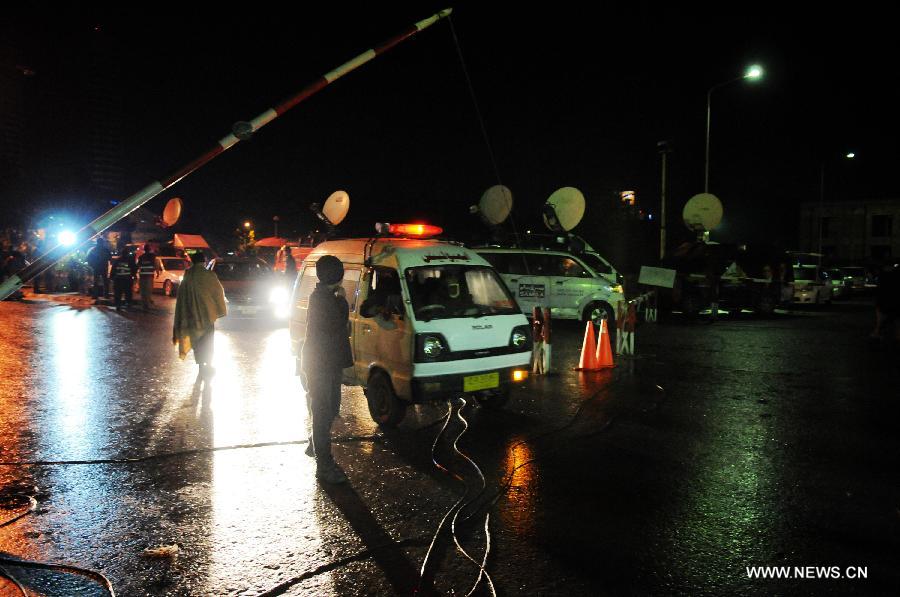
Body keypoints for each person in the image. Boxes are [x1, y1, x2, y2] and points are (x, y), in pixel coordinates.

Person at [301, 255, 353, 484]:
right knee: (323, 411)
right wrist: (342, 301)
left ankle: (315, 443)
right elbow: (338, 325)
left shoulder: (325, 295)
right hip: (320, 363)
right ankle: (324, 466)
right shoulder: (323, 299)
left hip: (327, 362)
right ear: (337, 275)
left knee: (331, 408)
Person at [173, 252, 227, 384]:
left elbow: (181, 297)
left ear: (192, 261)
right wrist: (220, 310)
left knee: (196, 340)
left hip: (191, 315)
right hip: (208, 315)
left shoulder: (188, 276)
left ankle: (201, 365)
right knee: (208, 341)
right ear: (203, 261)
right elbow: (218, 293)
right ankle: (207, 364)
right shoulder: (209, 275)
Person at [86, 238, 112, 302]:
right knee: (105, 282)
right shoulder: (105, 250)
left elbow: (88, 259)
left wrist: (92, 265)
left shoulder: (93, 250)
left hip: (96, 267)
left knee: (96, 282)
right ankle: (105, 295)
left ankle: (95, 295)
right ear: (102, 242)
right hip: (103, 267)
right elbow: (110, 258)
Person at [137, 244, 157, 311]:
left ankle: (144, 305)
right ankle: (147, 305)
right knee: (148, 291)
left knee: (143, 291)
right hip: (149, 276)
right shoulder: (153, 256)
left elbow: (138, 265)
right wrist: (157, 272)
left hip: (142, 276)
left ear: (144, 249)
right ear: (149, 249)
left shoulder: (141, 257)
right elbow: (156, 264)